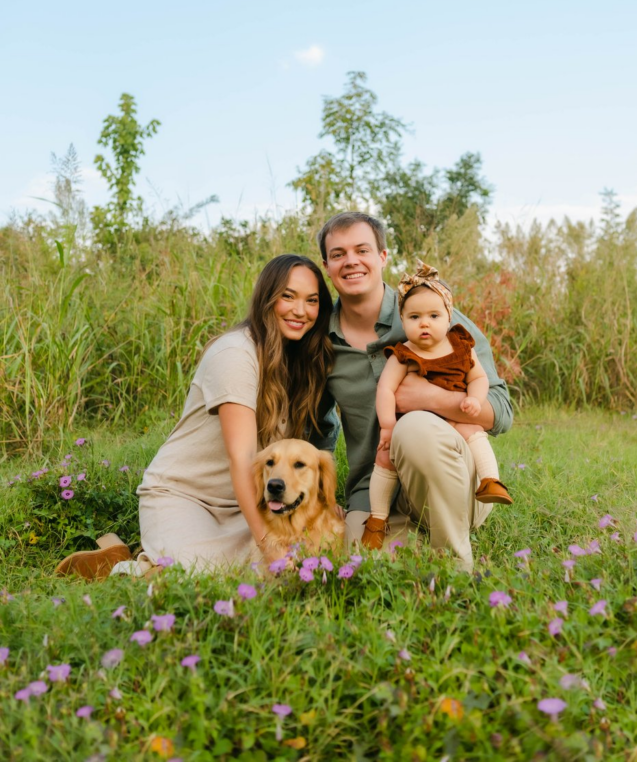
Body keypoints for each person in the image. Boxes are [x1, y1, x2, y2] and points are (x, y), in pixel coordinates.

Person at [56, 255, 335, 579]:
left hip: (247, 502)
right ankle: (121, 564)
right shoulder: (236, 355)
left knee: (298, 561)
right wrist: (266, 542)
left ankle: (144, 553)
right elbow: (242, 456)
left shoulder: (298, 360)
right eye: (288, 296)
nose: (301, 311)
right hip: (185, 498)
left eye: (311, 301)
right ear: (266, 298)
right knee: (212, 575)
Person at [317, 212, 514, 573]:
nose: (351, 261)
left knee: (414, 428)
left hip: (452, 484)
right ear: (326, 264)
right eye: (339, 253)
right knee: (362, 568)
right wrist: (318, 496)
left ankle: (455, 569)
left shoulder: (437, 317)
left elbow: (501, 412)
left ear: (382, 257)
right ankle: (411, 539)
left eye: (362, 250)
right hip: (375, 491)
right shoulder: (321, 342)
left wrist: (428, 398)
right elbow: (316, 426)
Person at [363, 260, 512, 551]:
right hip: (412, 435)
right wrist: (387, 426)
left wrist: (474, 399)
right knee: (384, 459)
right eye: (415, 317)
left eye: (434, 315)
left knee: (473, 431)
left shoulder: (461, 347)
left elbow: (479, 378)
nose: (424, 323)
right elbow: (386, 389)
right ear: (403, 322)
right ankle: (377, 520)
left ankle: (490, 481)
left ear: (449, 317)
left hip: (454, 429)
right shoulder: (403, 355)